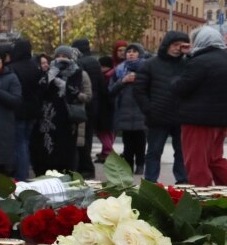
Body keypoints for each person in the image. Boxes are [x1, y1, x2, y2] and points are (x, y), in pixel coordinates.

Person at [173, 26, 227, 187]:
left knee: (196, 163)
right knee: (215, 160)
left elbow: (182, 88)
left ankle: (201, 203)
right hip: (220, 121)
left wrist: (174, 80)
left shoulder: (199, 62)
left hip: (197, 121)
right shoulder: (224, 58)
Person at [133, 31, 190, 184]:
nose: (178, 48)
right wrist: (149, 109)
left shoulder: (189, 64)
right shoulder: (150, 64)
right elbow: (139, 89)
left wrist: (190, 54)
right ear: (167, 45)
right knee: (154, 151)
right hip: (158, 116)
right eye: (175, 44)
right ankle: (150, 182)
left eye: (181, 45)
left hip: (181, 116)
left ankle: (183, 181)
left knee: (182, 152)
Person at [35, 45, 91, 175]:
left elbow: (83, 95)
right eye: (58, 56)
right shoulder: (49, 72)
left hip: (68, 117)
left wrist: (66, 87)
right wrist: (50, 75)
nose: (61, 59)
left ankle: (67, 174)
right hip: (50, 118)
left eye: (64, 56)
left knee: (67, 149)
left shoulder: (79, 73)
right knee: (48, 148)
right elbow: (40, 91)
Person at [5, 39, 42, 181]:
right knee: (25, 141)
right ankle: (24, 171)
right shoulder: (34, 67)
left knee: (19, 143)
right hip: (33, 110)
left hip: (18, 111)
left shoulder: (13, 67)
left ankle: (21, 175)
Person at [108, 43, 148, 174]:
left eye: (134, 51)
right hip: (124, 110)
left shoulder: (147, 69)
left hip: (141, 110)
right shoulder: (119, 70)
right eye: (128, 51)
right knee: (127, 142)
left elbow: (153, 88)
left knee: (140, 140)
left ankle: (141, 164)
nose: (130, 53)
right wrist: (122, 81)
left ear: (140, 54)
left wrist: (139, 80)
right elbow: (111, 90)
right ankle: (128, 166)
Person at [70, 38, 108, 175]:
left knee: (80, 140)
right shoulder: (95, 62)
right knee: (88, 138)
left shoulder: (79, 63)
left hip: (83, 104)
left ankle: (84, 168)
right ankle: (87, 168)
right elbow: (102, 85)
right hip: (94, 104)